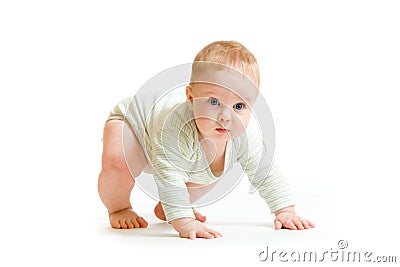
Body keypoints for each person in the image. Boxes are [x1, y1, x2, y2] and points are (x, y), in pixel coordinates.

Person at [98, 40, 315, 240]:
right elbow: (169, 175)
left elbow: (265, 171)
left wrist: (285, 210)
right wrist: (184, 222)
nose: (225, 116)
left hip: (183, 152)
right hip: (135, 127)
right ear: (191, 98)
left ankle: (168, 206)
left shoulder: (244, 137)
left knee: (211, 167)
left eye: (239, 106)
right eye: (214, 101)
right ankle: (119, 208)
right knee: (118, 163)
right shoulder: (175, 127)